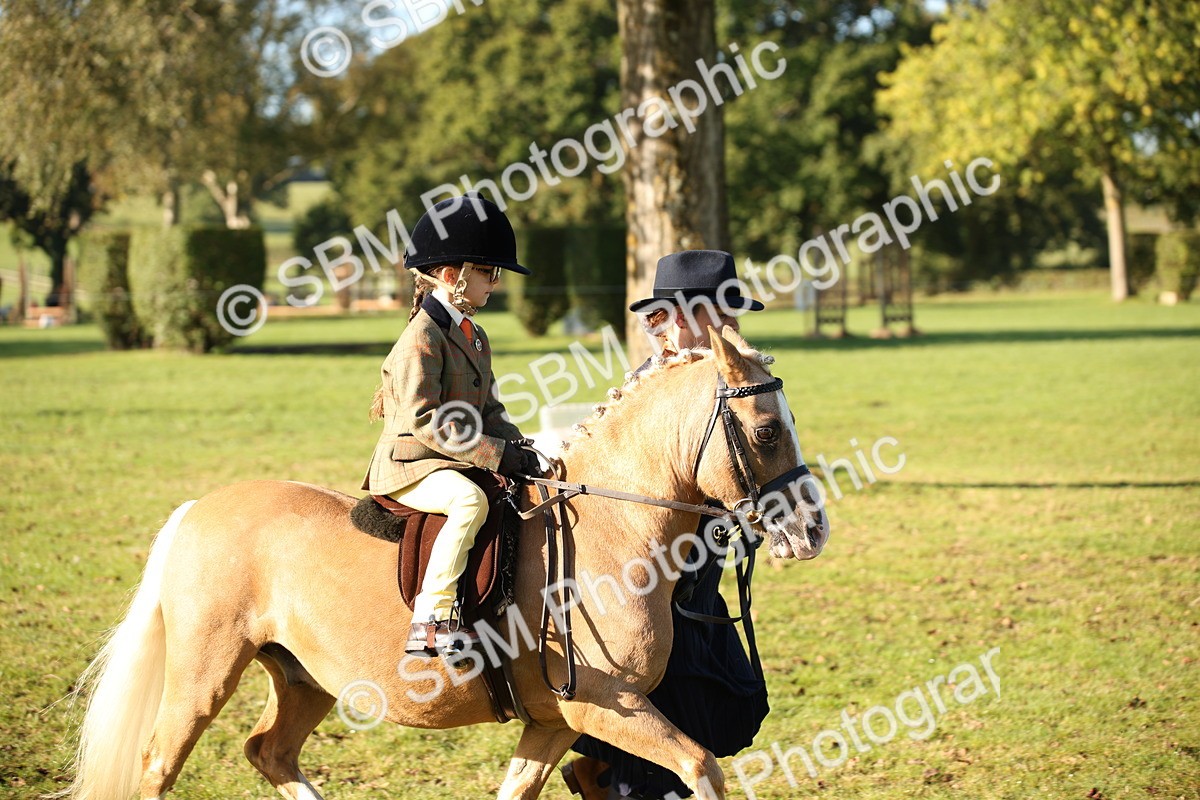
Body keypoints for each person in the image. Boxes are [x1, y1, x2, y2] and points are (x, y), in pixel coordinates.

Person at [563, 250, 769, 800]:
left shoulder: (720, 378)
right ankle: (615, 777)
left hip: (697, 579)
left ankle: (600, 773)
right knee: (662, 716)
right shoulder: (658, 384)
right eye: (724, 314)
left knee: (705, 699)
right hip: (653, 586)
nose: (733, 327)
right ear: (686, 316)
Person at [361, 193, 538, 657]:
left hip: (448, 458)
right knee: (468, 501)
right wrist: (496, 455)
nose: (494, 284)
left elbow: (490, 410)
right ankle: (431, 617)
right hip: (411, 467)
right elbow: (425, 419)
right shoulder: (420, 336)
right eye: (486, 272)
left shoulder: (474, 335)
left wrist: (522, 446)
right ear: (449, 275)